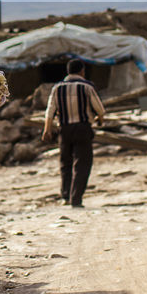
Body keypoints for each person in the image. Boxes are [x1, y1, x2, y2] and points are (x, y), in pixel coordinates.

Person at [41, 59, 105, 207]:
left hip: (64, 130)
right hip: (83, 128)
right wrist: (100, 120)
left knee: (65, 163)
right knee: (82, 163)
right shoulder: (87, 87)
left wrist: (47, 129)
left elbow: (49, 112)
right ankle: (76, 198)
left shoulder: (57, 88)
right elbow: (100, 109)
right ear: (82, 71)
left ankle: (65, 196)